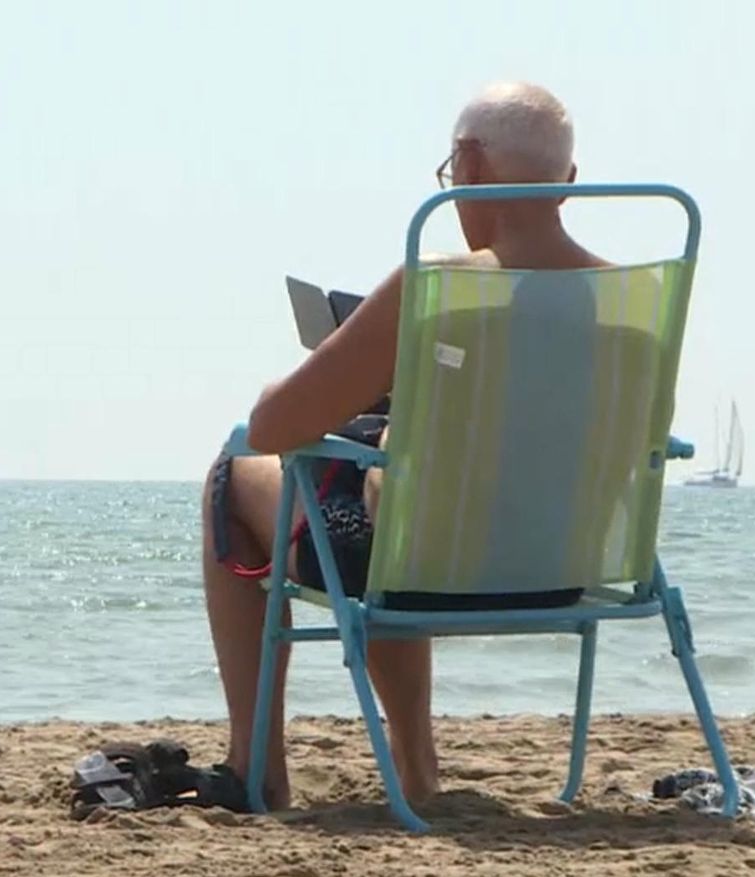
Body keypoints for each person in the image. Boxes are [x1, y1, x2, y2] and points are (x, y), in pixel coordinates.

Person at [203, 82, 610, 811]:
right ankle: (415, 770)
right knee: (403, 483)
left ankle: (255, 766)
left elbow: (272, 428)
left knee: (234, 473)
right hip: (566, 569)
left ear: (470, 163)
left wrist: (341, 364)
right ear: (567, 183)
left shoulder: (436, 289)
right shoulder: (629, 305)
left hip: (426, 566)